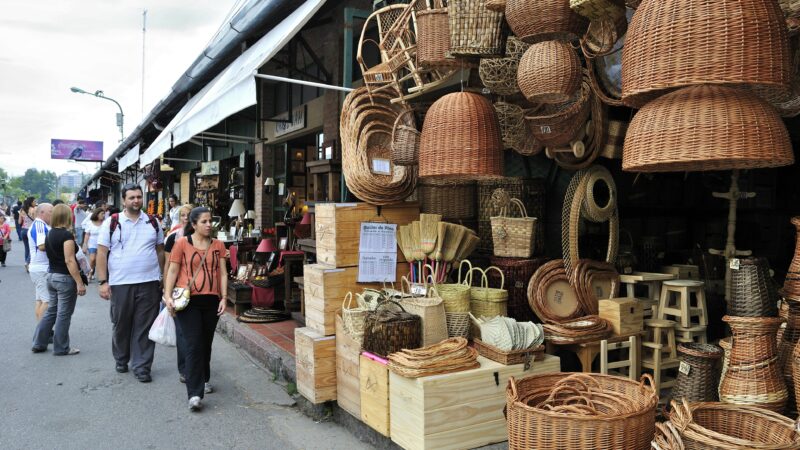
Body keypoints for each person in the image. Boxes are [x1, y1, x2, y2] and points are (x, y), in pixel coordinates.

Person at [96, 183, 164, 382]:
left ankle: (142, 366)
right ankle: (121, 358)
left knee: (145, 326)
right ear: (124, 200)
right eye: (132, 197)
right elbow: (101, 253)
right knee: (121, 324)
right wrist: (103, 281)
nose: (136, 200)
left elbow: (160, 251)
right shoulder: (112, 222)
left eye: (139, 197)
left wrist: (163, 276)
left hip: (149, 282)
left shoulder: (153, 222)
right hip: (120, 283)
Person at [163, 207, 227, 411]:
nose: (209, 225)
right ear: (193, 224)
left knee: (206, 344)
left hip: (211, 300)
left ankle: (204, 378)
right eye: (204, 221)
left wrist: (224, 298)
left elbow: (223, 273)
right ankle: (194, 393)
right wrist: (167, 296)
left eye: (210, 221)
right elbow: (172, 270)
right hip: (188, 301)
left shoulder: (218, 245)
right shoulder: (182, 243)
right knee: (193, 344)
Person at [31, 204, 86, 355]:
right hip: (64, 278)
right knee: (63, 314)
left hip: (51, 276)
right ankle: (61, 347)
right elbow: (69, 260)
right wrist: (79, 283)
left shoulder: (49, 234)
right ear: (67, 216)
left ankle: (39, 343)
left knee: (51, 311)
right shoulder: (66, 236)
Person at [163, 204, 192, 383]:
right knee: (182, 332)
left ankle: (197, 367)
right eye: (183, 215)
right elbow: (168, 266)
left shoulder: (205, 237)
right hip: (179, 290)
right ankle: (185, 369)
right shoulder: (173, 238)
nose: (186, 218)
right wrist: (166, 291)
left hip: (200, 290)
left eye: (189, 215)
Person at [28, 203, 53, 320]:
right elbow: (42, 246)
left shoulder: (41, 224)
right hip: (41, 268)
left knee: (40, 300)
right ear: (42, 213)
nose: (53, 214)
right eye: (51, 211)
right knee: (47, 301)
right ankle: (43, 330)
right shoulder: (39, 225)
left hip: (39, 268)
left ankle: (41, 328)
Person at [81, 207, 105, 281]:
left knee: (99, 261)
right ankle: (90, 274)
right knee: (92, 259)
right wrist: (85, 245)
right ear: (97, 214)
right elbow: (87, 234)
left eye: (104, 214)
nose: (103, 215)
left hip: (102, 244)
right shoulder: (90, 223)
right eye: (102, 214)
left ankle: (99, 276)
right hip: (92, 244)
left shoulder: (105, 223)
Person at [19, 197, 36, 270]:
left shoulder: (22, 210)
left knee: (26, 248)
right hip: (31, 230)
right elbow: (35, 220)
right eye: (34, 201)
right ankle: (28, 263)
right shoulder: (33, 209)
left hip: (23, 230)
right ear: (31, 202)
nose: (35, 203)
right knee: (33, 247)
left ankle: (26, 262)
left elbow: (19, 222)